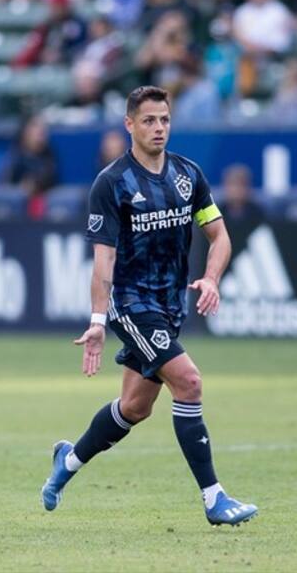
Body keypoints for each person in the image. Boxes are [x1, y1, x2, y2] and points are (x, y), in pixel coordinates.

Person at [41, 86, 258, 527]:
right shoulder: (112, 184)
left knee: (135, 408)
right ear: (129, 125)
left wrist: (212, 277)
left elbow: (219, 235)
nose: (158, 128)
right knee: (189, 382)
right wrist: (98, 320)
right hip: (132, 304)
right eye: (149, 121)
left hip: (170, 304)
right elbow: (103, 260)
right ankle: (214, 498)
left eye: (164, 120)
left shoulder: (188, 174)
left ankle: (68, 460)